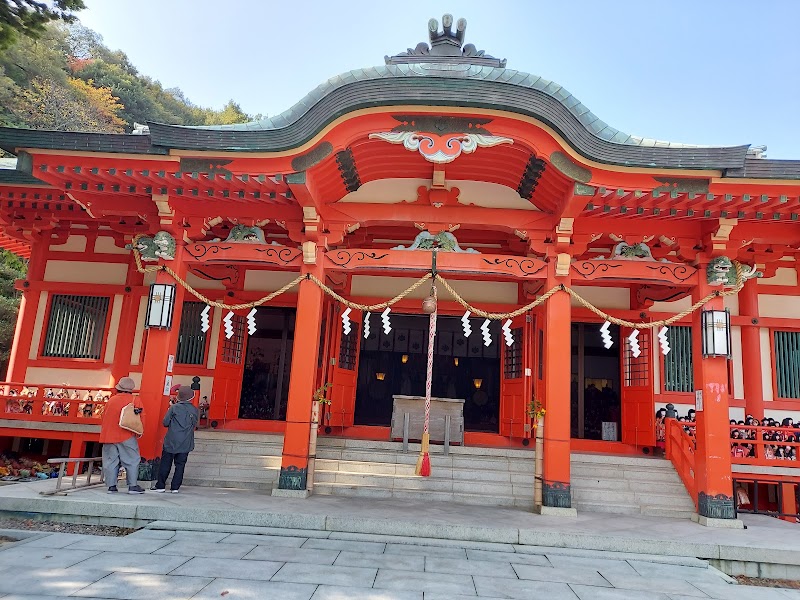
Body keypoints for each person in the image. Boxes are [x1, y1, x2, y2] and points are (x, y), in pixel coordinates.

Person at [99, 376, 146, 494]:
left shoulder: (111, 400)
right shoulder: (135, 400)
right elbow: (141, 419)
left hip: (108, 435)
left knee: (110, 460)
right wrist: (139, 432)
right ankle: (132, 486)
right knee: (132, 460)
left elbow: (103, 417)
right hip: (127, 435)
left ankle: (111, 486)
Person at [154, 385, 199, 493]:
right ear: (191, 397)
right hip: (186, 441)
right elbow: (195, 424)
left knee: (165, 463)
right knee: (180, 465)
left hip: (171, 440)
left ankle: (160, 485)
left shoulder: (174, 408)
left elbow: (165, 422)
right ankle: (175, 487)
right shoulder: (194, 410)